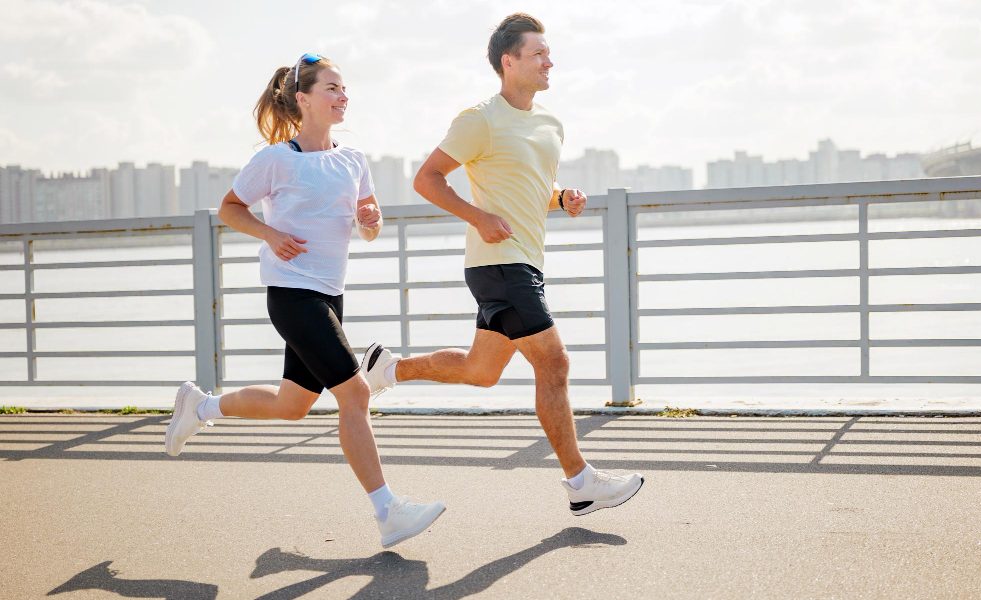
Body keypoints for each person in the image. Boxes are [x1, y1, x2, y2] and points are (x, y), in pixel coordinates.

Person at [361, 14, 644, 516]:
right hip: (498, 261)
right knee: (553, 363)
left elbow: (529, 189)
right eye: (538, 53)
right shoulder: (480, 119)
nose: (549, 61)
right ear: (508, 62)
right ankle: (581, 481)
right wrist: (478, 216)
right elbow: (427, 179)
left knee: (481, 371)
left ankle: (389, 368)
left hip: (524, 260)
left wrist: (562, 198)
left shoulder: (551, 124)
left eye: (548, 52)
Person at [164, 53, 445, 548]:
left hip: (330, 294)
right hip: (293, 294)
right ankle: (389, 513)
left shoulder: (354, 160)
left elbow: (368, 229)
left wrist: (371, 220)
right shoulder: (275, 159)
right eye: (332, 88)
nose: (343, 96)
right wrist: (270, 235)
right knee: (355, 394)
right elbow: (230, 208)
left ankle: (200, 406)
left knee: (292, 404)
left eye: (344, 89)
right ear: (303, 98)